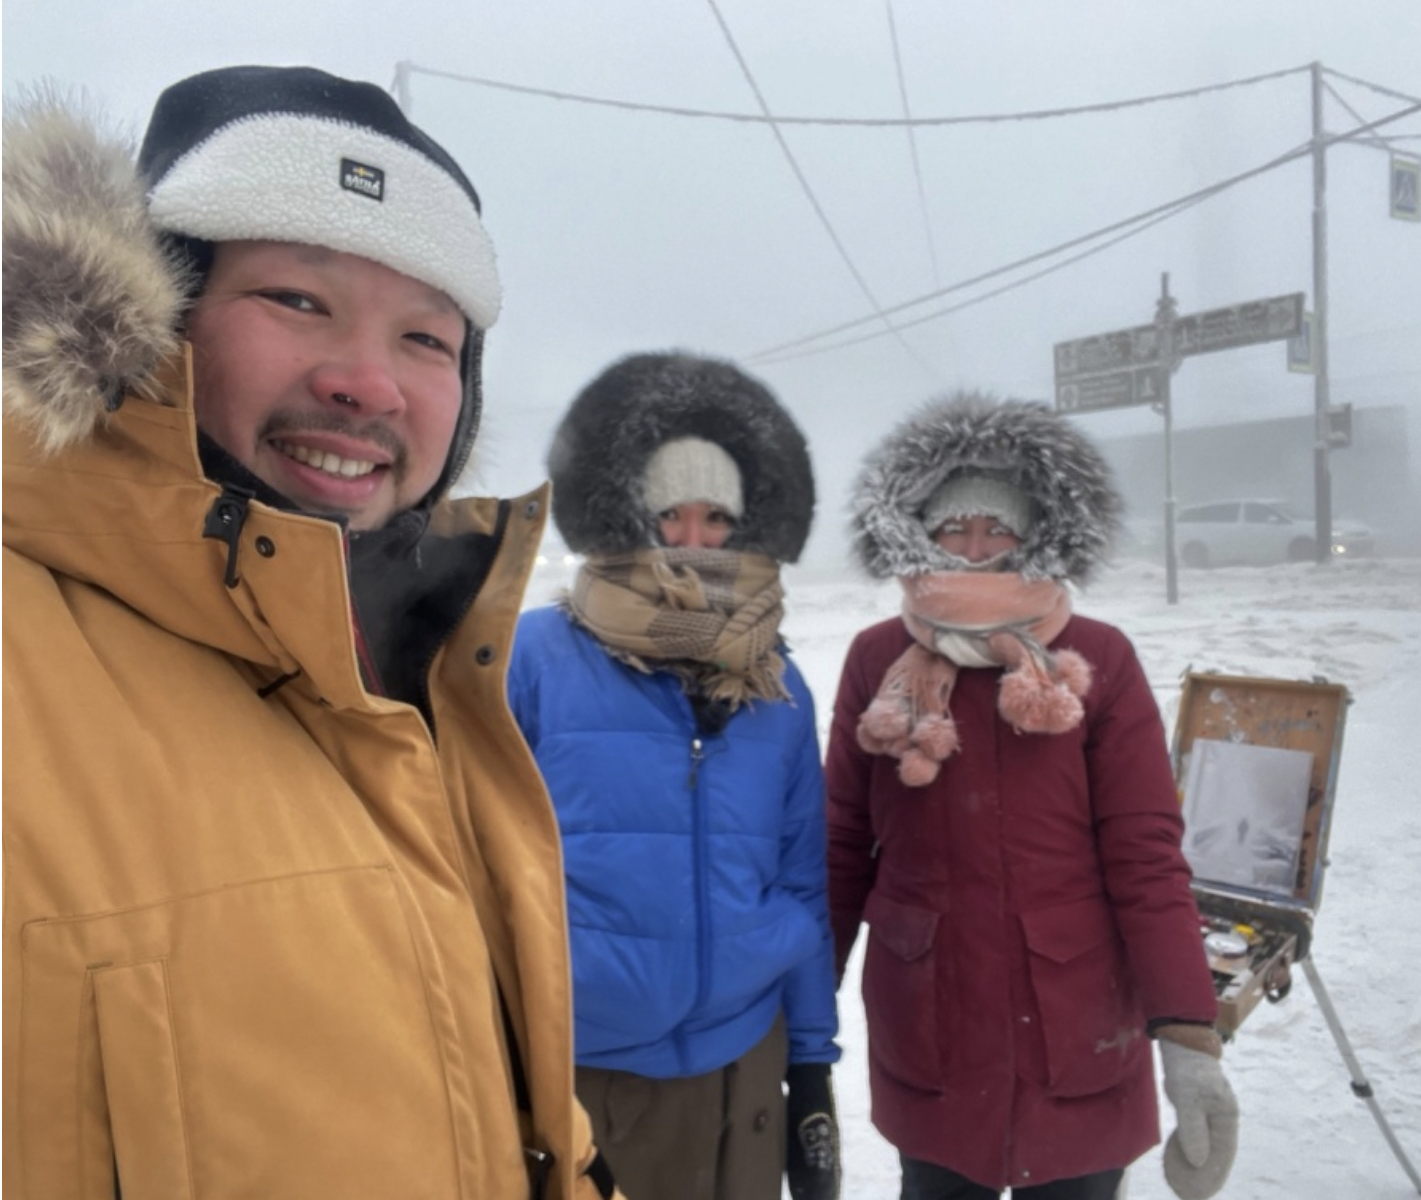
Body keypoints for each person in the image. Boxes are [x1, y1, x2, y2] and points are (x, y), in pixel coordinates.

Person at [3, 67, 615, 1199]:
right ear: (149, 318)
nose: (366, 383)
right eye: (297, 300)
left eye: (428, 340)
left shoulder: (433, 673)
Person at [824, 392, 1239, 1200]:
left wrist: (1189, 1038)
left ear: (1039, 532)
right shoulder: (877, 657)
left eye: (998, 527)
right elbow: (842, 841)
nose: (975, 547)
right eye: (953, 527)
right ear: (916, 528)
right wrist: (803, 1016)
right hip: (931, 1023)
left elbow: (1144, 853)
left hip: (1074, 1022)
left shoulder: (1099, 658)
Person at [507, 351, 842, 1200]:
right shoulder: (535, 662)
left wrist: (811, 1070)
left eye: (716, 519)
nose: (693, 542)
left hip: (746, 1077)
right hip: (592, 1082)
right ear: (624, 515)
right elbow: (475, 876)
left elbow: (801, 885)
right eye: (669, 515)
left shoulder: (778, 683)